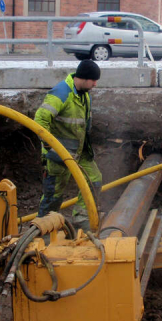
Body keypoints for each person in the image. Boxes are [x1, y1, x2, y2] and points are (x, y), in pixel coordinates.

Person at [34, 60, 102, 232]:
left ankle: (81, 218)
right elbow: (40, 120)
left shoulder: (84, 95)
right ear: (84, 78)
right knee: (54, 195)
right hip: (58, 155)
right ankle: (43, 229)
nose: (95, 84)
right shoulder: (61, 93)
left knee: (94, 180)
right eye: (93, 80)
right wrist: (52, 147)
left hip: (79, 153)